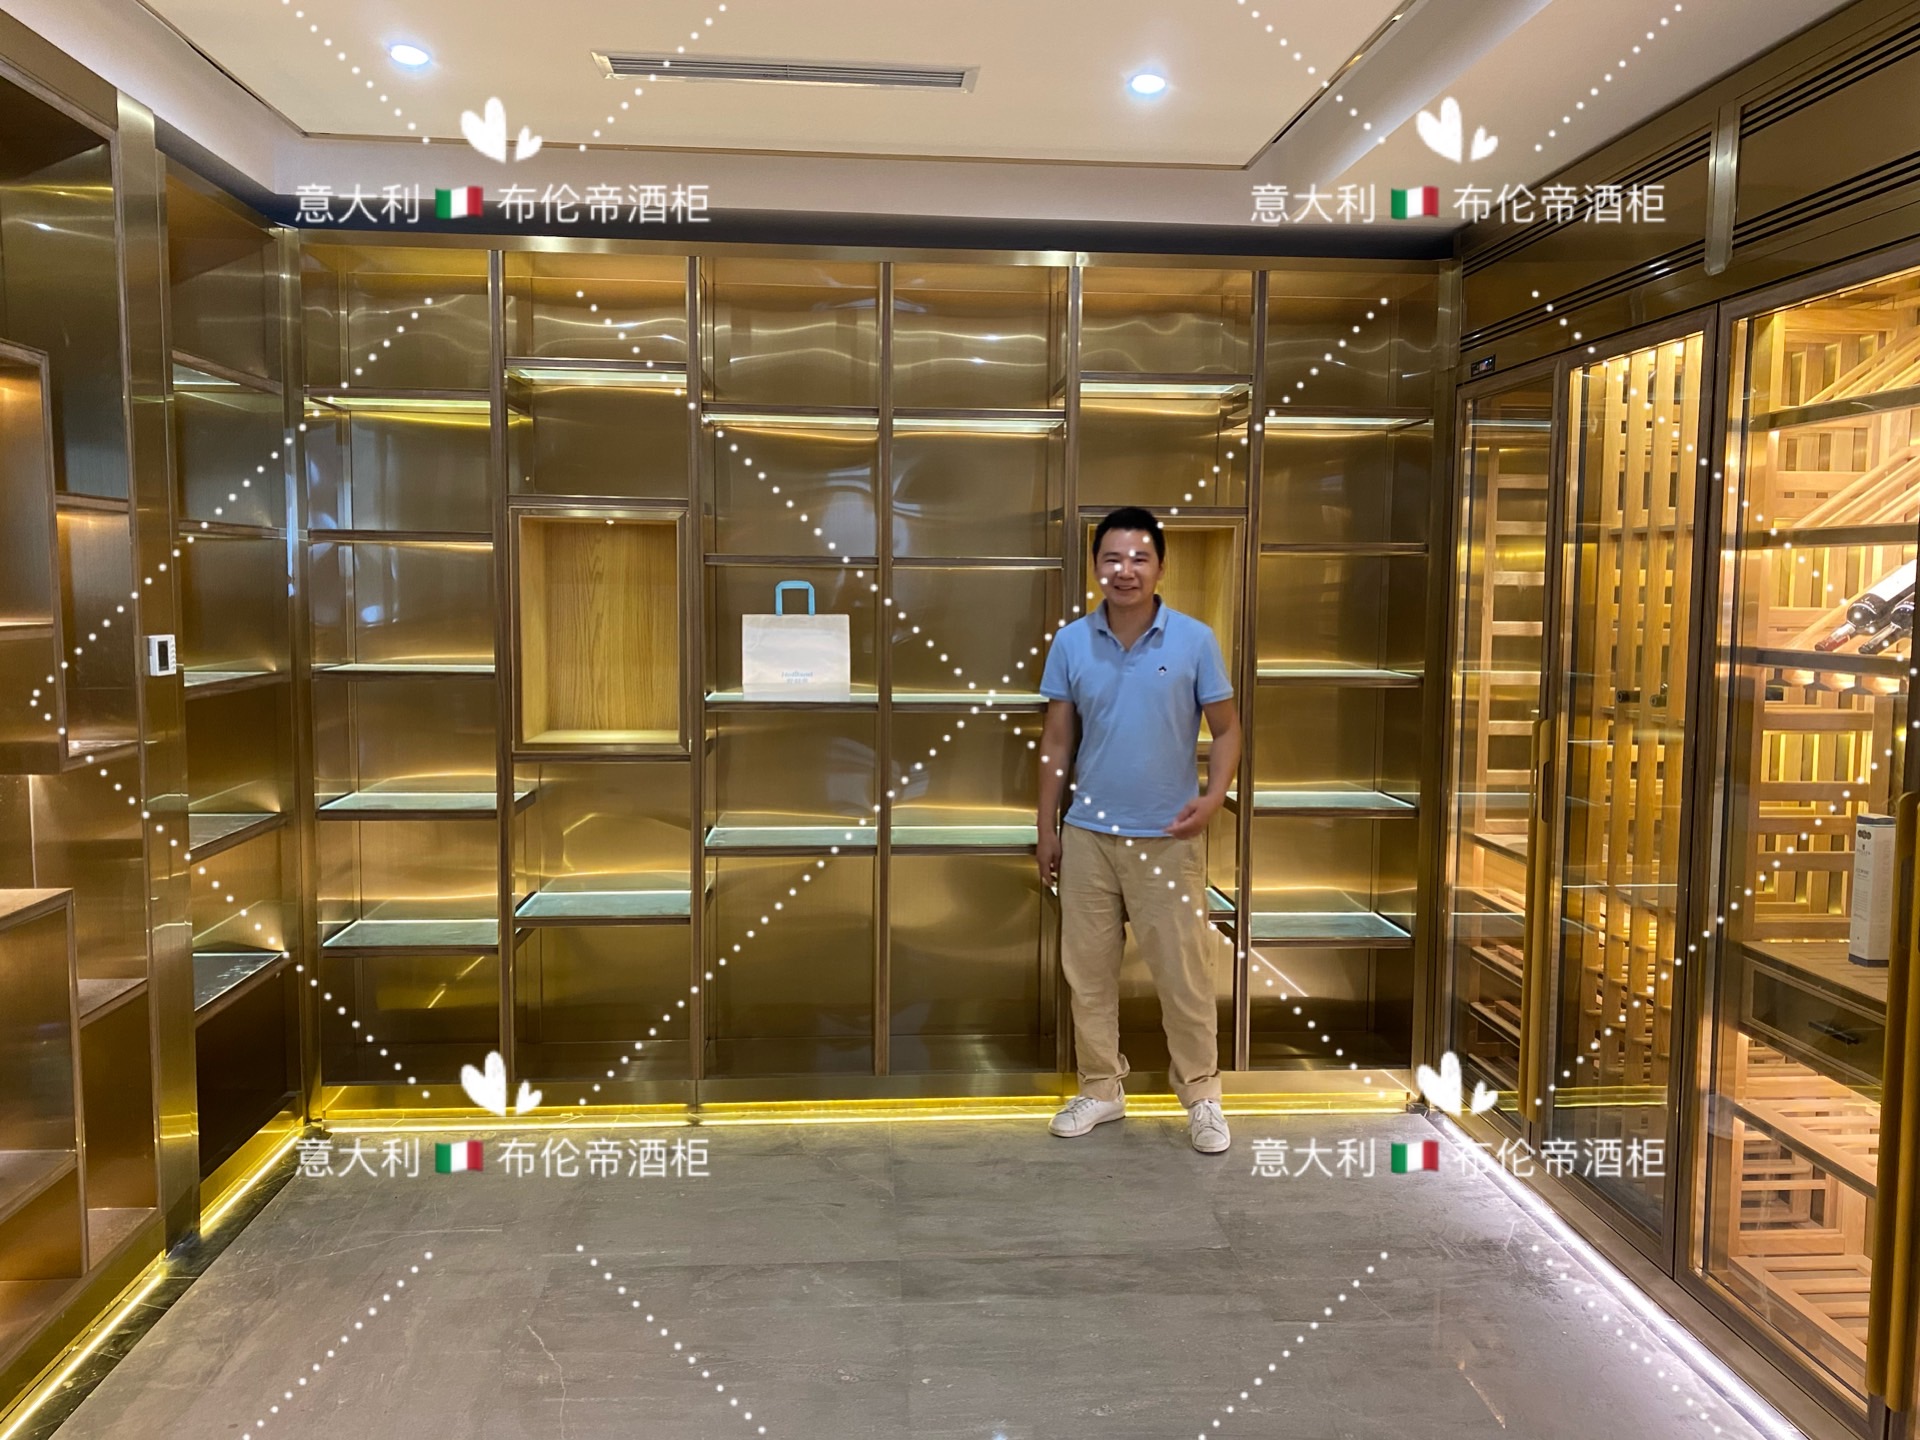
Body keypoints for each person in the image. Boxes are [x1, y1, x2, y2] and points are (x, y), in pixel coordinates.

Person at [1036, 506, 1241, 1154]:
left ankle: (1202, 1097)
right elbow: (1056, 741)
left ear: (1159, 567)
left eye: (1139, 558)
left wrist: (1213, 799)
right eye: (1112, 559)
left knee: (1184, 976)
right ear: (1095, 566)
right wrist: (1047, 828)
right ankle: (1101, 1088)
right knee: (1088, 976)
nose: (1125, 571)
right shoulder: (1072, 642)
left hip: (1168, 839)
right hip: (1088, 837)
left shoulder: (1195, 640)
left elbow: (1228, 729)